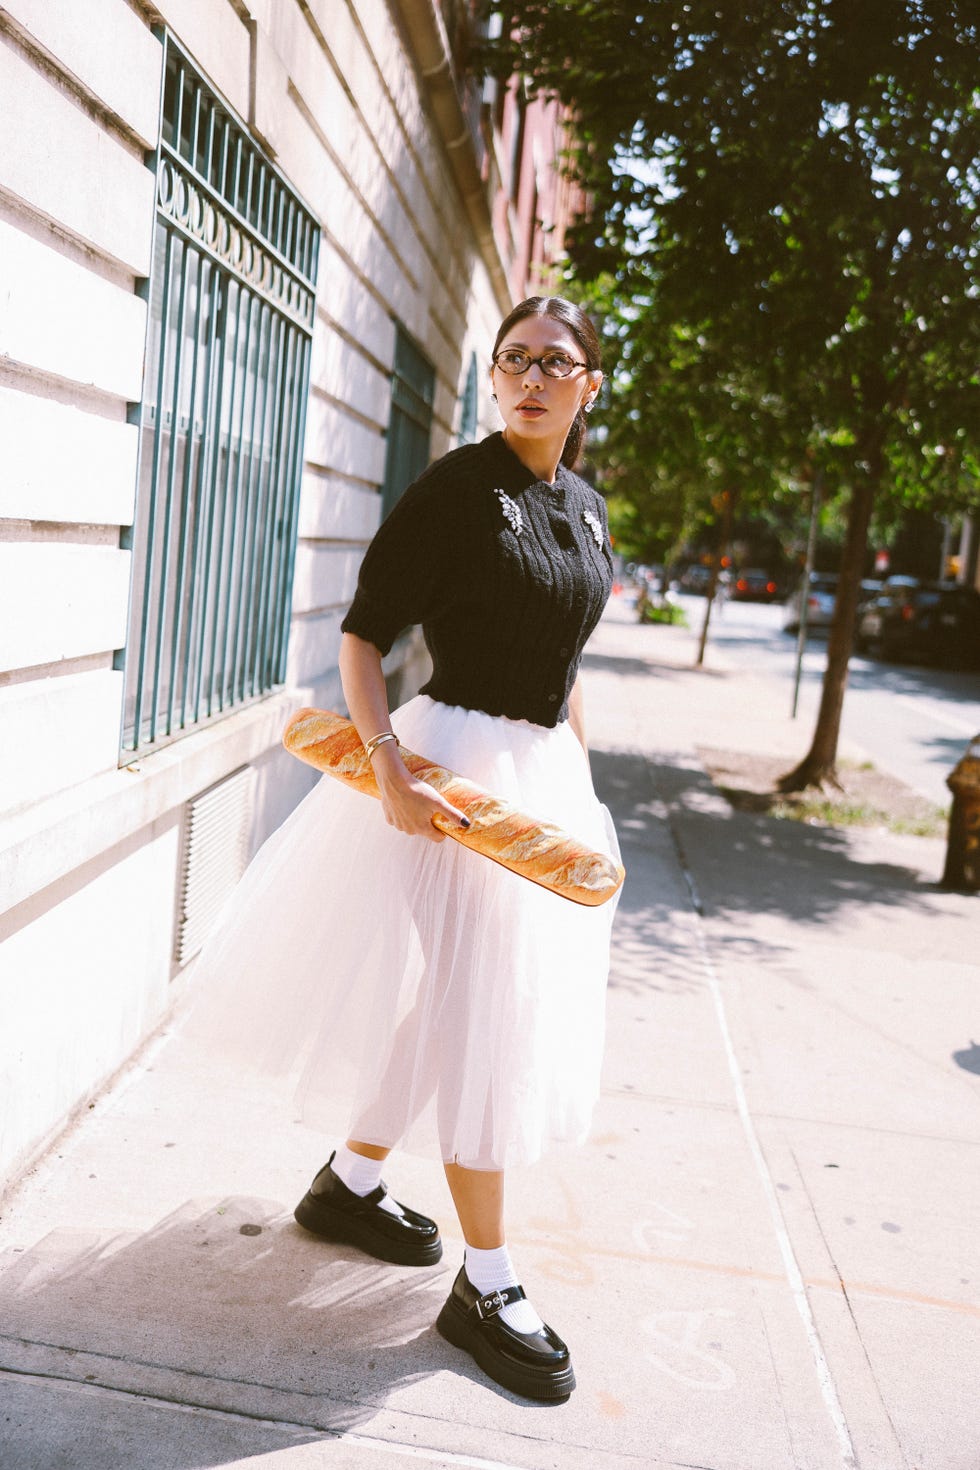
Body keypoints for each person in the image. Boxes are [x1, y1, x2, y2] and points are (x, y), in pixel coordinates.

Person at [190, 296, 619, 1402]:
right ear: (496, 378)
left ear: (589, 387)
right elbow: (362, 636)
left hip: (538, 787)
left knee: (455, 1009)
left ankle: (348, 1180)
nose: (529, 377)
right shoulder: (454, 492)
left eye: (553, 363)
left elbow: (563, 661)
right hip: (445, 777)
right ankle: (486, 1280)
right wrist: (386, 767)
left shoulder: (585, 506)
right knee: (484, 1012)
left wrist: (582, 791)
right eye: (512, 359)